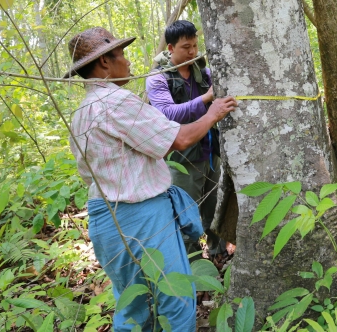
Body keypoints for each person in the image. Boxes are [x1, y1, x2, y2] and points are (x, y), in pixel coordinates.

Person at [65, 27, 237, 331]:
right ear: (105, 62)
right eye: (122, 56)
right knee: (176, 299)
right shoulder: (116, 102)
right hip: (141, 216)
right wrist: (212, 114)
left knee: (134, 305)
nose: (129, 63)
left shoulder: (82, 111)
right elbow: (179, 139)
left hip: (105, 216)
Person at [146, 20, 226, 258]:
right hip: (180, 158)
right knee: (185, 214)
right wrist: (206, 100)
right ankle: (190, 265)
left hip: (210, 152)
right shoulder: (158, 79)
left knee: (214, 209)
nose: (192, 51)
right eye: (185, 47)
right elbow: (167, 113)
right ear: (170, 48)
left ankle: (218, 254)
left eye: (194, 45)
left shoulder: (204, 73)